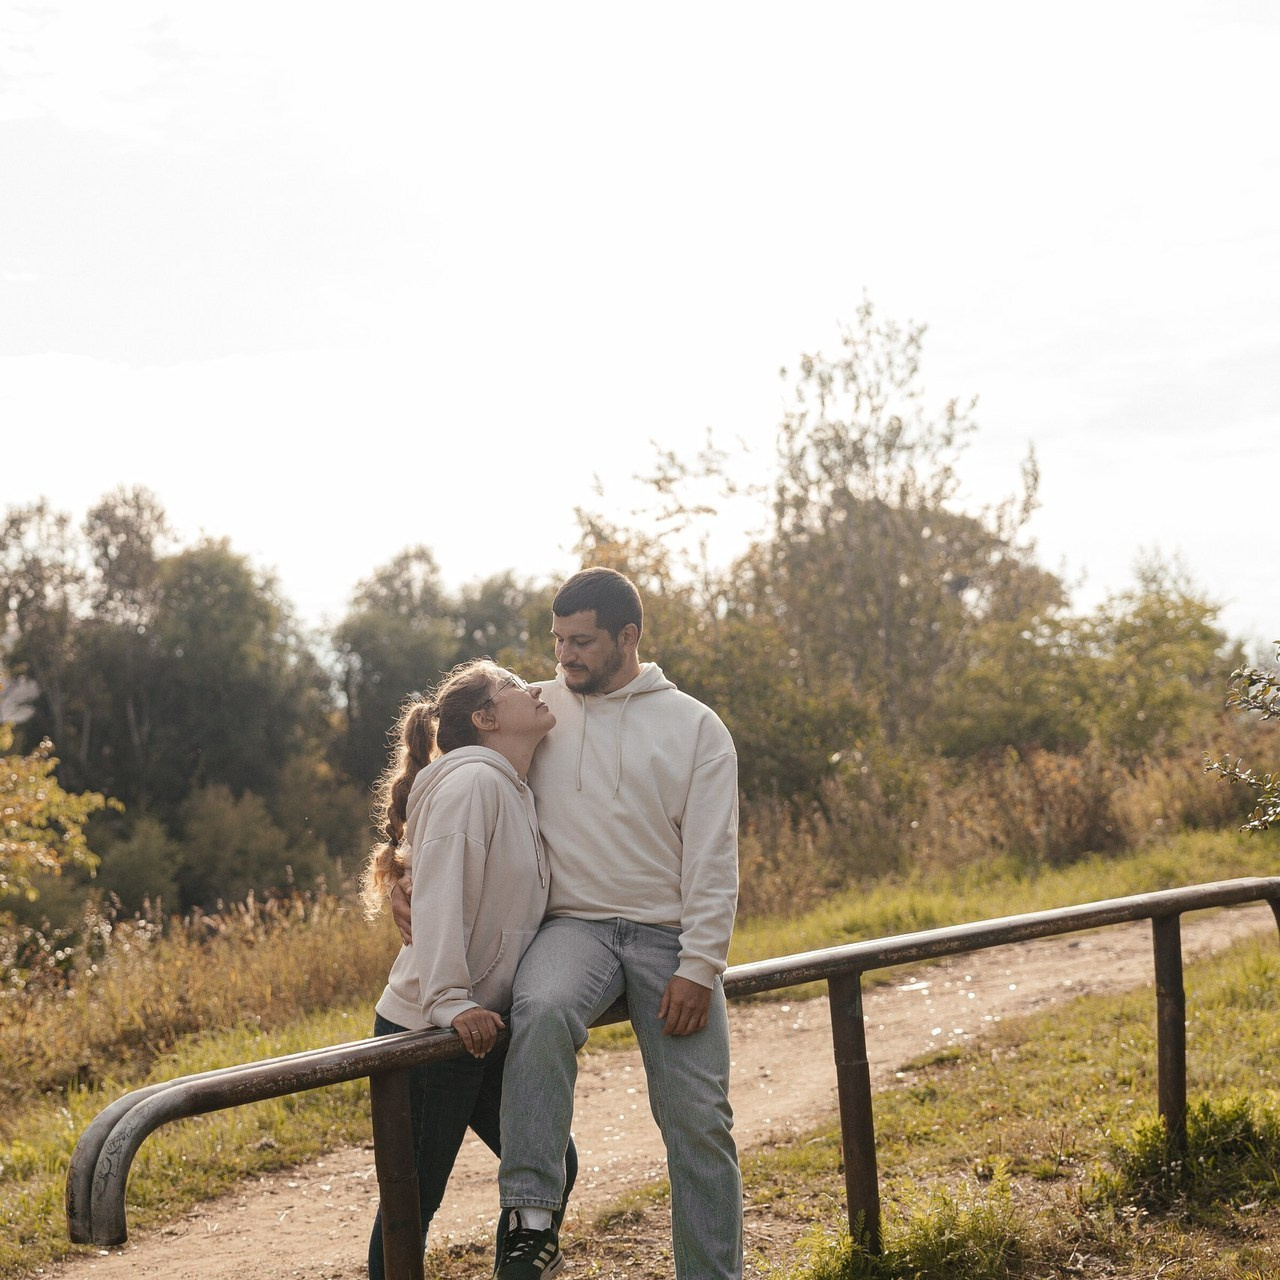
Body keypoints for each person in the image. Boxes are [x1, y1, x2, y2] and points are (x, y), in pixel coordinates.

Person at [394, 568, 742, 1280]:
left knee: (699, 1123)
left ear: (628, 637)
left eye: (581, 642)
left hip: (668, 938)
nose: (564, 657)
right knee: (542, 1005)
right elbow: (447, 780)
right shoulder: (542, 708)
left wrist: (700, 965)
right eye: (557, 641)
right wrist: (398, 871)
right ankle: (530, 1219)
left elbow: (714, 860)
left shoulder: (696, 729)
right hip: (574, 930)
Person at [361, 658, 577, 1280]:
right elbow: (442, 896)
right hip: (430, 1028)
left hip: (480, 1026)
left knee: (550, 1163)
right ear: (484, 718)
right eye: (512, 686)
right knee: (412, 1204)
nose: (532, 689)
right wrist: (451, 1002)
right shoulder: (471, 784)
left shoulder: (510, 786)